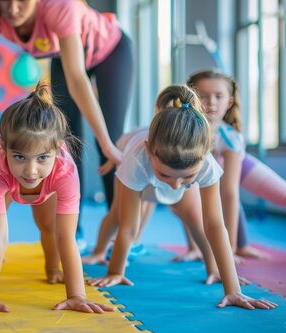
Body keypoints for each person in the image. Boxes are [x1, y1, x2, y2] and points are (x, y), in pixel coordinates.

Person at [0, 0, 134, 242]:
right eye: (5, 1)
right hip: (64, 56)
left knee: (110, 143)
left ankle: (121, 235)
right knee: (66, 146)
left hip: (111, 51)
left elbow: (78, 80)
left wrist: (106, 143)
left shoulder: (60, 7)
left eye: (22, 1)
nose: (13, 9)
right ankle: (72, 232)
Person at [86, 85, 277, 310]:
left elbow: (215, 225)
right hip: (127, 156)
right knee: (119, 214)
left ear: (205, 155)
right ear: (149, 150)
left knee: (196, 218)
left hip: (159, 166)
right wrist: (116, 272)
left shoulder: (206, 165)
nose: (175, 185)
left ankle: (212, 269)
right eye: (166, 175)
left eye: (186, 177)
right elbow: (129, 227)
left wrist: (232, 289)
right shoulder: (137, 158)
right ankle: (99, 252)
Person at [0, 82, 113, 315]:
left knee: (48, 224)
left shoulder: (64, 172)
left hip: (50, 180)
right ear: (3, 147)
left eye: (42, 158)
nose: (31, 170)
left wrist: (77, 295)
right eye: (19, 157)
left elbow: (66, 235)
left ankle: (52, 268)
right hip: (0, 174)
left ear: (57, 150)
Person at [184, 69, 269, 261]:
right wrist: (194, 247)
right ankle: (199, 247)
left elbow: (230, 192)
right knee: (190, 191)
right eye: (203, 96)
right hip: (212, 169)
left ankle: (240, 245)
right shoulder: (186, 132)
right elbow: (188, 190)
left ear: (229, 101)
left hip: (245, 165)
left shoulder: (231, 137)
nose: (211, 102)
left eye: (218, 96)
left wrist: (228, 249)